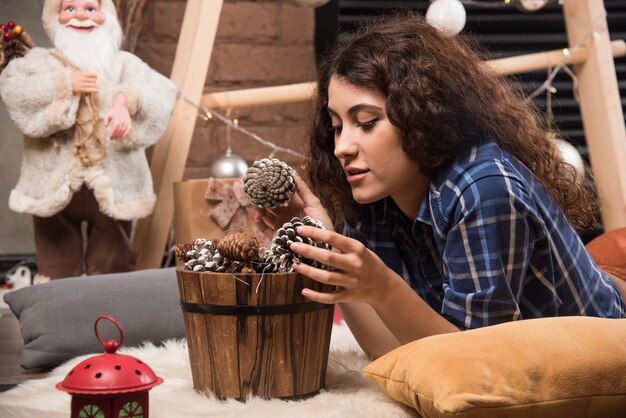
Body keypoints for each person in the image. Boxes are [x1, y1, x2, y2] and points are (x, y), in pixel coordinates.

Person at [256, 12, 626, 359]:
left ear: (422, 113)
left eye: (366, 122)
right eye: (336, 126)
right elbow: (396, 354)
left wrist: (385, 287)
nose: (341, 147)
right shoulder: (372, 193)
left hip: (603, 351)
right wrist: (329, 247)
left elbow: (474, 368)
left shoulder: (484, 189)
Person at [0, 0, 177, 281]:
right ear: (53, 17)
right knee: (56, 260)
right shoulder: (39, 63)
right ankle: (58, 313)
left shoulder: (123, 64)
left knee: (112, 261)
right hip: (53, 182)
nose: (80, 16)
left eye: (90, 9)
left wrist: (125, 102)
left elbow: (161, 92)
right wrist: (63, 84)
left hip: (112, 180)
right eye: (69, 9)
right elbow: (15, 88)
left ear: (105, 15)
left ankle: (109, 311)